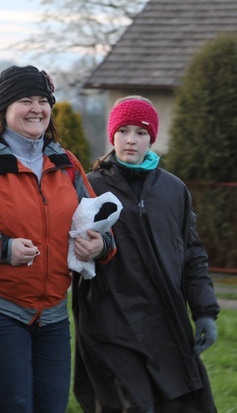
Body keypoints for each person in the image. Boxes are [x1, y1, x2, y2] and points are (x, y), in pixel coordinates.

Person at [0, 65, 115, 412]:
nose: (36, 108)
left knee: (52, 407)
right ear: (4, 109)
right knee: (15, 405)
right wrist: (0, 248)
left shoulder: (66, 163)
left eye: (43, 100)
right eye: (25, 100)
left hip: (52, 312)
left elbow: (101, 224)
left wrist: (100, 246)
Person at [73, 96, 219, 412]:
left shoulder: (174, 190)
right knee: (133, 405)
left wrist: (205, 310)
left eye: (140, 132)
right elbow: (72, 249)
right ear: (111, 135)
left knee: (182, 403)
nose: (131, 140)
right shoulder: (90, 187)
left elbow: (192, 254)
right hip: (111, 322)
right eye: (123, 130)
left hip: (166, 321)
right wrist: (93, 250)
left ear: (151, 137)